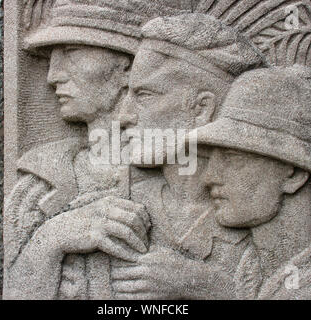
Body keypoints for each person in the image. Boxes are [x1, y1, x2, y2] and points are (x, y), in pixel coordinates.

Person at [4, 0, 189, 300]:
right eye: (52, 56)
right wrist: (52, 238)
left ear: (128, 67)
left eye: (73, 52)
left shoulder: (192, 176)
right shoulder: (37, 188)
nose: (52, 75)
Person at [112, 13, 265, 299]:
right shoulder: (115, 206)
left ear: (201, 109)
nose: (124, 116)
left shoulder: (260, 216)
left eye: (144, 96)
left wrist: (202, 285)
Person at [194, 66, 311, 299]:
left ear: (294, 174)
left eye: (233, 158)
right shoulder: (251, 272)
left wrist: (211, 289)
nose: (209, 177)